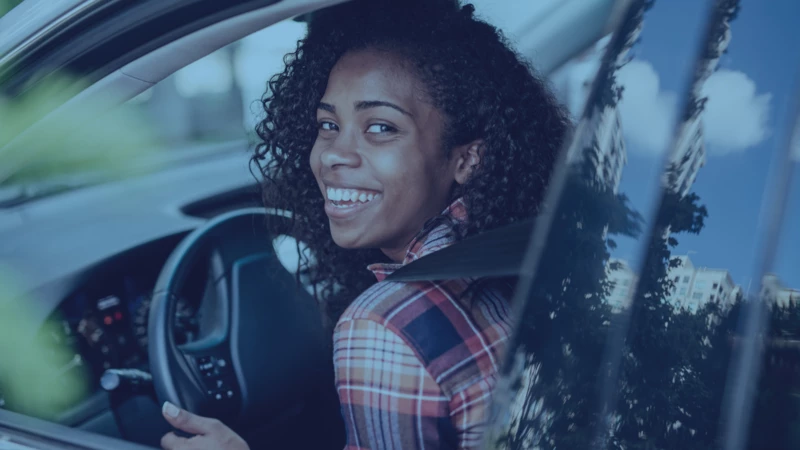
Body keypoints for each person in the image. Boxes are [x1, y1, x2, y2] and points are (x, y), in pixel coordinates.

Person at [159, 0, 569, 448]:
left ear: (467, 158)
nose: (334, 154)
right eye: (328, 124)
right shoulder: (526, 259)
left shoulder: (382, 326)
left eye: (380, 128)